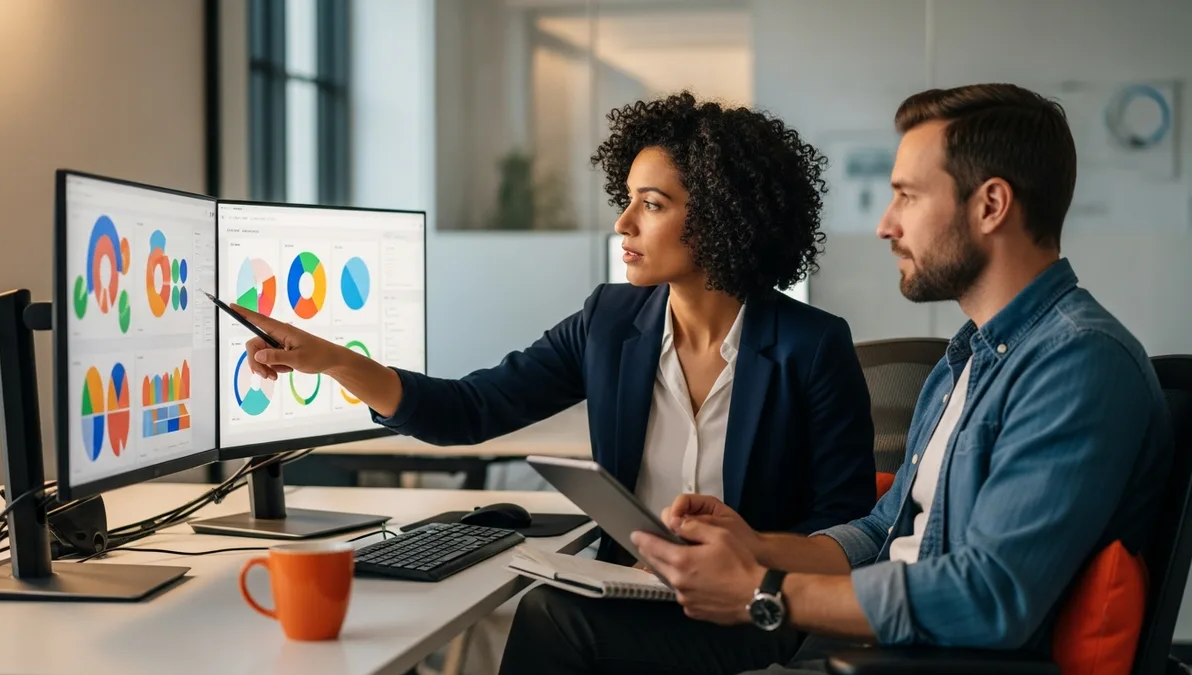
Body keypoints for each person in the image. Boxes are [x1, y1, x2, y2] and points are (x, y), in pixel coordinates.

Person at [497, 83, 1174, 675]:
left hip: (915, 659)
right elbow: (881, 531)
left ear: (991, 204)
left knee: (558, 624)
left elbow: (988, 598)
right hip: (875, 637)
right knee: (560, 617)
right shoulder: (969, 359)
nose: (885, 225)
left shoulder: (1075, 363)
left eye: (907, 196)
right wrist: (753, 547)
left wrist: (762, 591)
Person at [236, 92, 876, 581]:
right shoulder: (609, 323)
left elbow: (847, 530)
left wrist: (751, 557)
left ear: (722, 219)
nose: (623, 222)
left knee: (549, 625)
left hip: (751, 600)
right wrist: (333, 361)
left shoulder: (811, 345)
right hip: (629, 584)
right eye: (628, 199)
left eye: (652, 204)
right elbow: (470, 409)